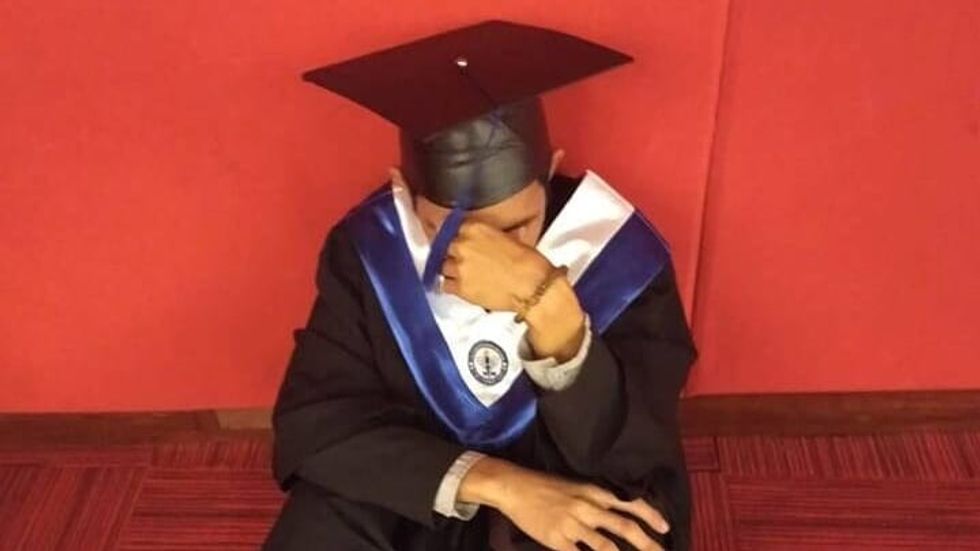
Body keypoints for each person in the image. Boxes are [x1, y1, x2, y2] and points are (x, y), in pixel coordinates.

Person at [264, 20, 697, 551]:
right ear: (403, 191)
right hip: (420, 482)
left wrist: (555, 317)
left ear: (552, 172)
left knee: (623, 532)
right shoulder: (369, 251)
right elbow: (316, 423)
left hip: (568, 482)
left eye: (517, 227)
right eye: (446, 230)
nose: (485, 256)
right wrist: (500, 484)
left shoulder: (621, 256)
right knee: (321, 521)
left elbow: (634, 452)